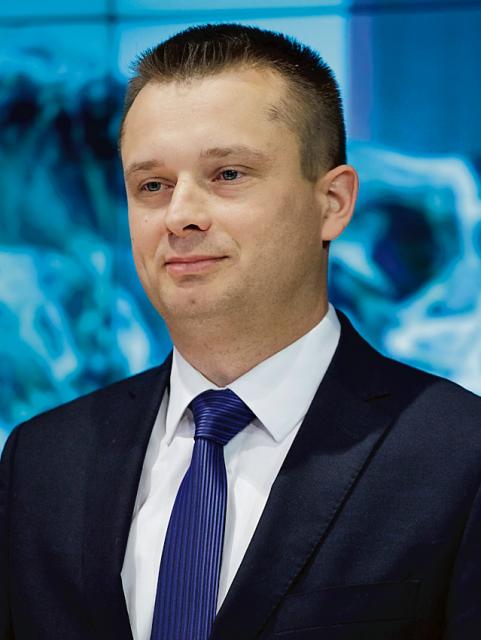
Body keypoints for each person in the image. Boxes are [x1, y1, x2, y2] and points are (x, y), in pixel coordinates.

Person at [1, 23, 481, 640]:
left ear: (333, 202)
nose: (180, 216)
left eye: (228, 174)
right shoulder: (42, 461)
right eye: (152, 186)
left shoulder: (460, 456)